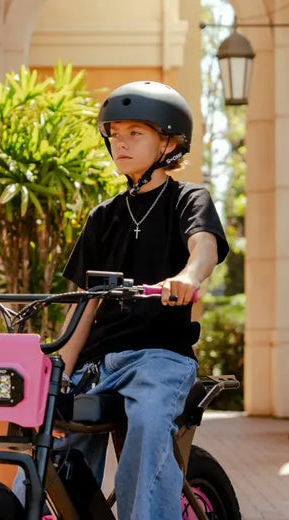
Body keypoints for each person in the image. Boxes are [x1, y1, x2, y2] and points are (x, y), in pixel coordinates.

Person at [55, 80, 230, 520]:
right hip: (99, 361)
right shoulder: (103, 216)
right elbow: (83, 305)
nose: (121, 143)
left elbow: (204, 246)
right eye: (115, 134)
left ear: (168, 143)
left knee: (150, 427)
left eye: (135, 133)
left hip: (159, 357)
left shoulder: (188, 199)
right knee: (49, 439)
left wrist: (188, 276)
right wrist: (59, 371)